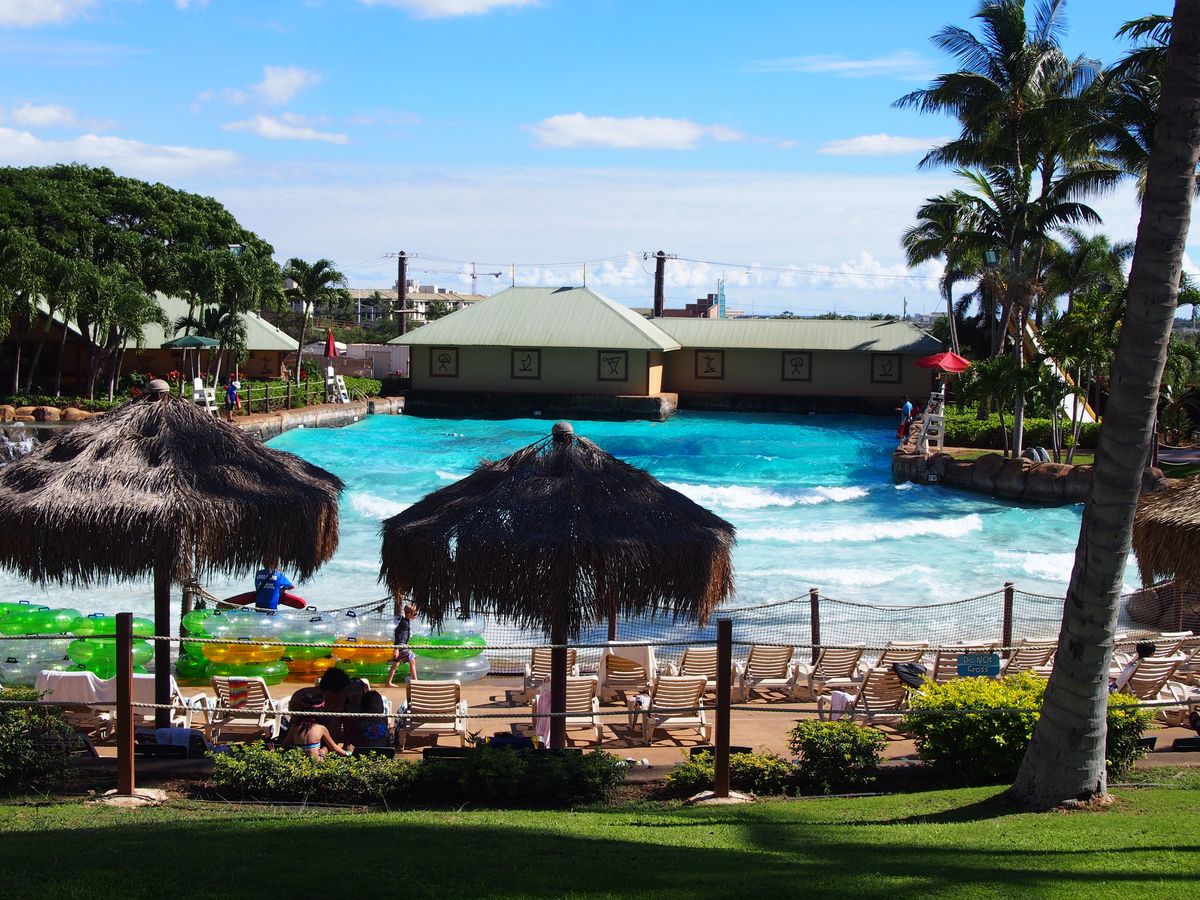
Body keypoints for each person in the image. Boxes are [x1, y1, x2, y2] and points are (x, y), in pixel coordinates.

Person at [279, 688, 353, 760]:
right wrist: (348, 753)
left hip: (301, 762)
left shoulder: (295, 727)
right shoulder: (321, 728)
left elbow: (283, 746)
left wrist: (274, 752)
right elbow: (334, 748)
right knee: (326, 747)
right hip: (316, 763)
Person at [385, 604, 419, 687]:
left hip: (402, 645)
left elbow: (403, 635)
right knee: (412, 661)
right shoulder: (404, 623)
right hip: (401, 646)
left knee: (396, 664)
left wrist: (406, 643)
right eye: (414, 613)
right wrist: (396, 649)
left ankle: (388, 682)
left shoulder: (405, 622)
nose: (415, 615)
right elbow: (398, 634)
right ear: (409, 614)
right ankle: (416, 682)